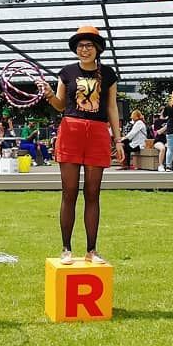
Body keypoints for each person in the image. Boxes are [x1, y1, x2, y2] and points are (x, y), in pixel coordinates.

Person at [38, 24, 124, 264]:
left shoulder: (108, 74)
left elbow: (112, 108)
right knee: (69, 192)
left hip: (97, 133)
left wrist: (118, 139)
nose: (84, 49)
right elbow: (59, 104)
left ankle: (92, 250)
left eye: (88, 45)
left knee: (93, 193)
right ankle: (66, 249)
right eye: (80, 46)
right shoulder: (65, 72)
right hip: (71, 130)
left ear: (97, 49)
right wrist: (48, 94)